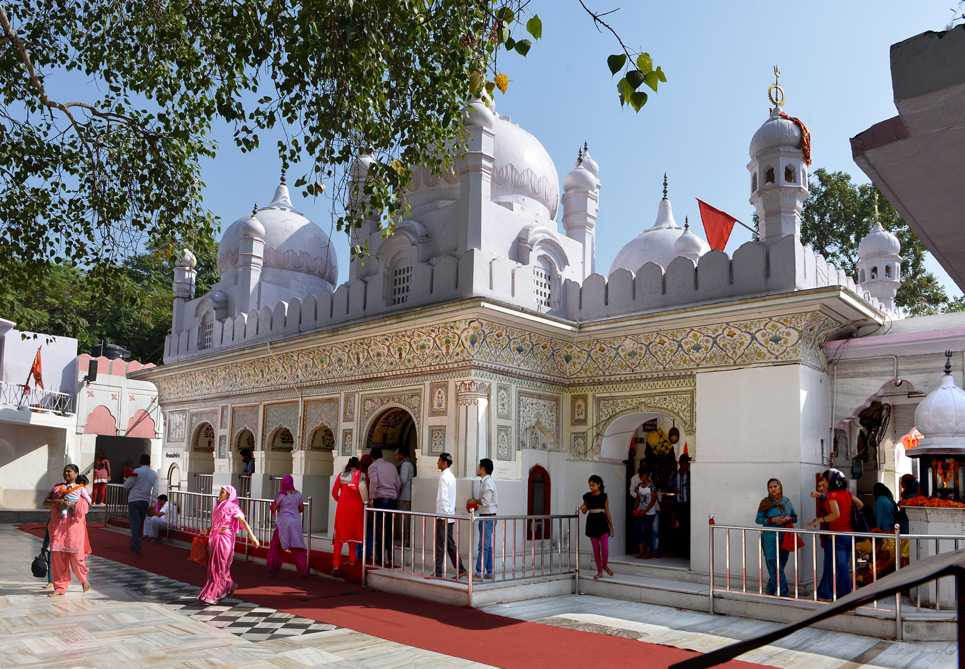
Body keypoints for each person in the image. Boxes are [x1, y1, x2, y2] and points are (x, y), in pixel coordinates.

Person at [199, 485, 260, 604]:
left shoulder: (233, 507)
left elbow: (243, 522)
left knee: (219, 566)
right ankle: (227, 585)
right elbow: (216, 523)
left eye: (223, 492)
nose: (220, 493)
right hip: (214, 537)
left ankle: (215, 594)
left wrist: (252, 537)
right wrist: (208, 529)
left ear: (229, 495)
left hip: (225, 538)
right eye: (220, 491)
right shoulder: (218, 506)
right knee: (213, 566)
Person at [45, 464, 92, 596]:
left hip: (74, 529)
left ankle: (84, 580)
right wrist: (58, 502)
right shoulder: (57, 487)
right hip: (58, 528)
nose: (66, 474)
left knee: (77, 558)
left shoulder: (80, 489)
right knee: (58, 558)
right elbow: (45, 502)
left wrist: (72, 504)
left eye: (69, 472)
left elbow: (86, 507)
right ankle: (60, 588)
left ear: (76, 474)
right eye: (65, 472)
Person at [755, 477, 797, 596]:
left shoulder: (786, 501)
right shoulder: (765, 502)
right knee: (773, 563)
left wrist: (789, 518)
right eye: (770, 487)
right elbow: (758, 520)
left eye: (775, 486)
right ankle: (783, 592)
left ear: (780, 487)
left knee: (781, 564)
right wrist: (773, 519)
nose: (773, 489)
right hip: (770, 537)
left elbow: (795, 517)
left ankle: (769, 589)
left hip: (785, 536)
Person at [815, 469, 853, 600]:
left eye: (825, 480)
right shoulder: (847, 494)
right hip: (849, 535)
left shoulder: (832, 495)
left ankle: (845, 596)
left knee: (840, 567)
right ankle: (845, 594)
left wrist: (820, 520)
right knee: (844, 566)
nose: (823, 483)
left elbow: (836, 514)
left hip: (837, 535)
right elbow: (860, 504)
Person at [267, 474, 309, 577]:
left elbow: (274, 508)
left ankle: (273, 568)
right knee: (298, 547)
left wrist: (275, 508)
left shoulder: (281, 495)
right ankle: (303, 570)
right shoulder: (298, 494)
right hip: (295, 523)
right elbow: (301, 509)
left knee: (276, 546)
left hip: (283, 523)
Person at [332, 457, 367, 574]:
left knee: (339, 536)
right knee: (352, 534)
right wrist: (365, 502)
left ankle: (336, 565)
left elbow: (334, 492)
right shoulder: (361, 475)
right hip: (357, 508)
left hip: (343, 508)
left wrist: (341, 500)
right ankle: (352, 560)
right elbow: (363, 489)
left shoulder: (342, 475)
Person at [366, 447, 401, 566]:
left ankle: (380, 558)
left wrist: (371, 498)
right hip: (392, 500)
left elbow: (374, 482)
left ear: (372, 457)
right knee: (389, 529)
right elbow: (398, 483)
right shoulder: (391, 466)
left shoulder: (373, 467)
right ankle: (390, 558)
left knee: (379, 530)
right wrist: (395, 495)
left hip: (381, 500)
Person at [434, 452, 464, 577]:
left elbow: (444, 498)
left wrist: (444, 515)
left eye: (439, 461)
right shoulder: (451, 476)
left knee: (441, 545)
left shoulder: (444, 477)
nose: (437, 463)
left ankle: (439, 572)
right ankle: (461, 569)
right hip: (449, 515)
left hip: (444, 515)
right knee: (449, 544)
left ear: (444, 463)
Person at [123, 453, 158, 555]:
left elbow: (127, 485)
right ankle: (137, 544)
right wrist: (153, 502)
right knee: (140, 524)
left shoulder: (137, 471)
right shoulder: (154, 474)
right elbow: (156, 490)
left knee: (135, 523)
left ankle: (135, 546)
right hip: (145, 500)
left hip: (134, 499)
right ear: (149, 462)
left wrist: (126, 483)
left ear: (140, 461)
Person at [580, 474, 614, 579]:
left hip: (602, 521)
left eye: (593, 485)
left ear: (599, 484)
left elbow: (607, 511)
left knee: (604, 547)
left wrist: (611, 527)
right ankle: (599, 571)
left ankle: (604, 565)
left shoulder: (604, 496)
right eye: (590, 485)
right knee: (595, 549)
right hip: (591, 522)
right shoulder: (586, 496)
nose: (591, 487)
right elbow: (584, 511)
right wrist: (583, 508)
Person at [469, 458, 497, 578]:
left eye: (479, 466)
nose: (477, 468)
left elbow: (485, 502)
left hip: (487, 517)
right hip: (486, 516)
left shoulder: (488, 482)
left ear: (483, 469)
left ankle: (479, 572)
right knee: (487, 546)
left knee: (483, 546)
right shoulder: (485, 482)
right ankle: (489, 571)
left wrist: (474, 501)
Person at [808, 474, 834, 600]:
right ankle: (826, 590)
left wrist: (820, 495)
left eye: (824, 484)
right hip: (828, 534)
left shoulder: (830, 497)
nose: (821, 488)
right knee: (829, 563)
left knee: (830, 563)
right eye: (819, 486)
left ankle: (827, 590)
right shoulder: (824, 499)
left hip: (833, 533)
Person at [634, 470, 660, 559]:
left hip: (650, 513)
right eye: (641, 475)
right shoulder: (639, 486)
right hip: (640, 512)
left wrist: (645, 510)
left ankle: (649, 552)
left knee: (648, 532)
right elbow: (637, 499)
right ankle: (641, 551)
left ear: (647, 476)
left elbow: (653, 501)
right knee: (639, 531)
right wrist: (635, 509)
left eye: (644, 475)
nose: (642, 477)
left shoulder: (652, 487)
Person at [669, 454, 691, 557]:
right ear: (681, 463)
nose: (686, 465)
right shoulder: (674, 474)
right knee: (677, 527)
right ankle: (679, 550)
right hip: (677, 504)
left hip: (687, 505)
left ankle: (687, 551)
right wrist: (673, 490)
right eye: (685, 463)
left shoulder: (691, 474)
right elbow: (669, 485)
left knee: (687, 527)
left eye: (687, 464)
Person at [396, 446, 415, 545]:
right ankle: (405, 539)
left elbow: (402, 480)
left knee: (404, 519)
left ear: (402, 454)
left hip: (404, 495)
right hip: (407, 495)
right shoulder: (409, 464)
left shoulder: (405, 465)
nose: (396, 456)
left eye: (397, 454)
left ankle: (405, 540)